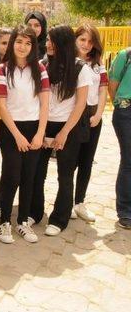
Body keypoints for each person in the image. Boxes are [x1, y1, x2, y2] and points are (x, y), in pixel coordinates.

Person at [32, 25, 91, 236]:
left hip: (69, 127)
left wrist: (64, 133)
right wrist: (43, 132)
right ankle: (34, 212)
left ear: (63, 44)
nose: (47, 44)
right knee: (37, 172)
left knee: (65, 175)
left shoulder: (80, 68)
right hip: (44, 124)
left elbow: (80, 104)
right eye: (47, 40)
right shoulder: (42, 65)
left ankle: (59, 218)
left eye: (51, 40)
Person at [0, 26, 49, 243]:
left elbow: (45, 104)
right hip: (11, 130)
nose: (23, 47)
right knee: (12, 175)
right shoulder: (1, 70)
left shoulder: (40, 70)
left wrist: (40, 133)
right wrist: (16, 135)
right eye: (19, 42)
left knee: (29, 177)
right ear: (12, 43)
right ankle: (5, 222)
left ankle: (22, 222)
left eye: (28, 43)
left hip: (34, 129)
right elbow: (2, 107)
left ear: (33, 46)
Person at [73, 25, 108, 222]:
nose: (86, 45)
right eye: (82, 40)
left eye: (90, 41)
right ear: (75, 40)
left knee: (86, 161)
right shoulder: (69, 62)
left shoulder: (97, 64)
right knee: (70, 162)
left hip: (93, 116)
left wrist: (99, 114)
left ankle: (79, 202)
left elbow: (103, 90)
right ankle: (65, 202)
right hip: (73, 116)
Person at [109, 45, 131, 230]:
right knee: (129, 160)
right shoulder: (126, 55)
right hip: (126, 112)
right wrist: (122, 105)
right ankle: (125, 211)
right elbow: (113, 85)